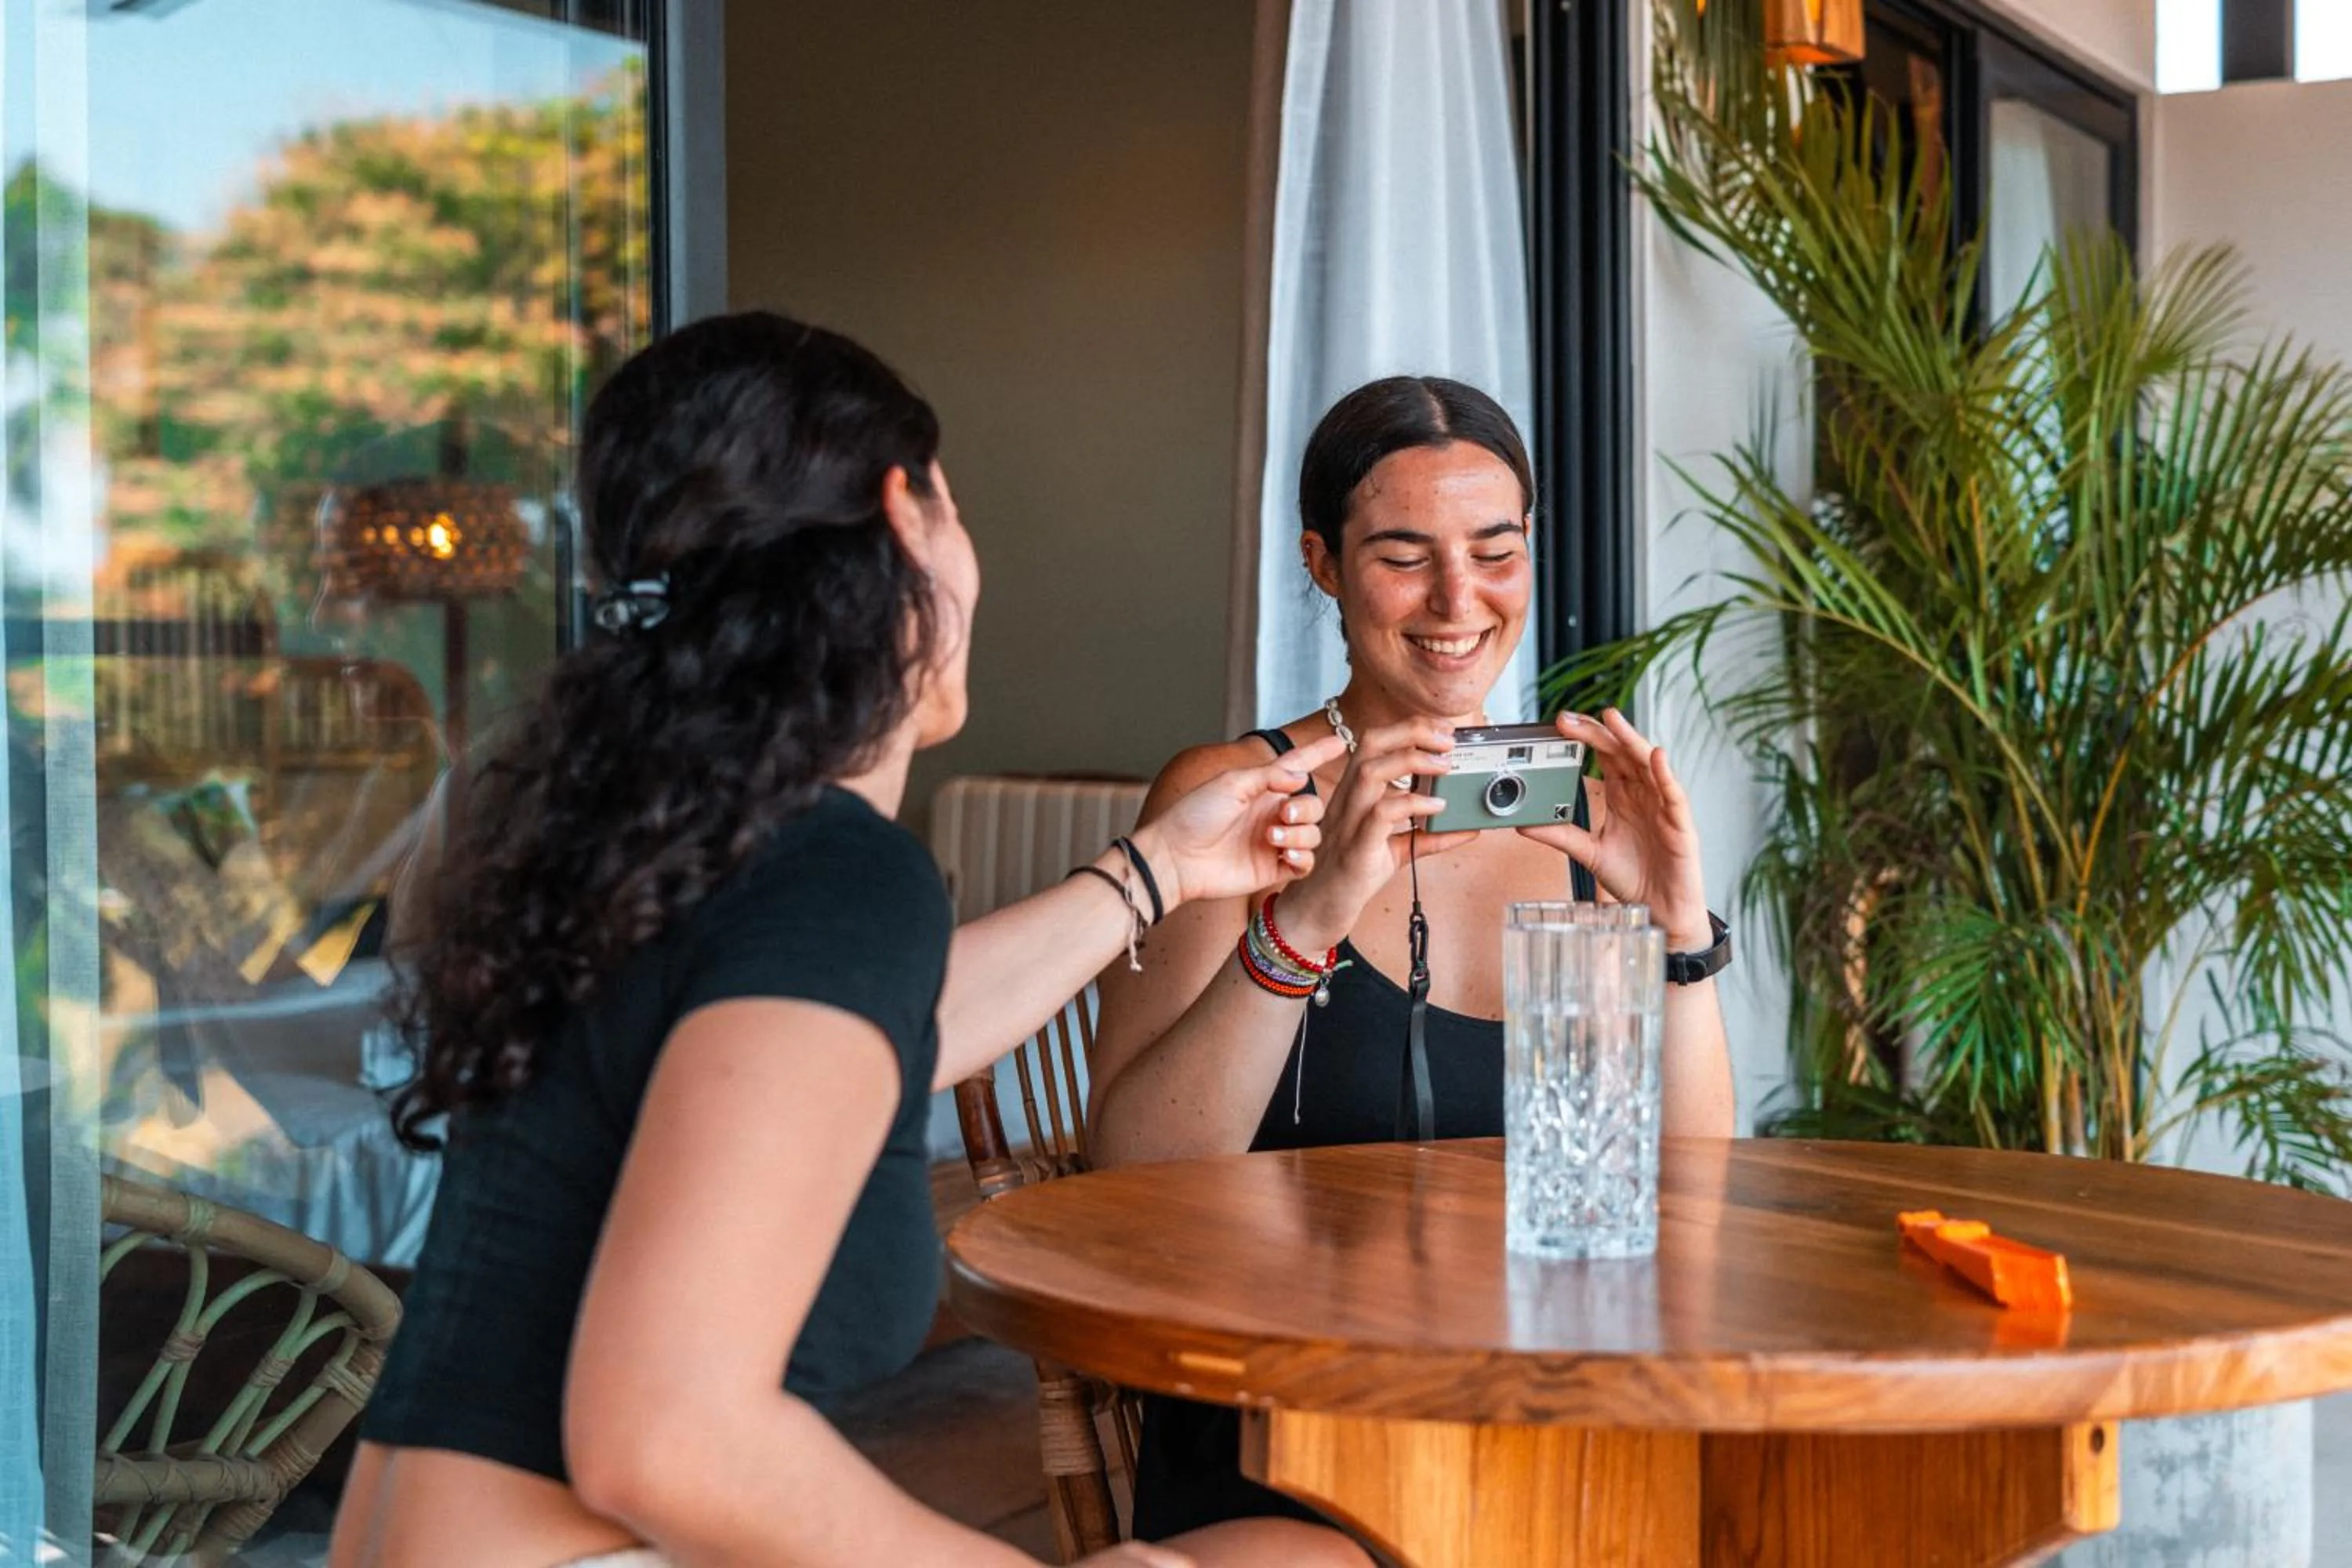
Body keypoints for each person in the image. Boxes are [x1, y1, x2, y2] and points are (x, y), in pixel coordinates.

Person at [328, 313, 1369, 1568]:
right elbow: (663, 1439)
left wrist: (1162, 871)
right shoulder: (833, 874)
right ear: (905, 514)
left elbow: (880, 1038)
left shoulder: (671, 849)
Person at [1086, 375, 1739, 1542]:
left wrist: (1678, 930)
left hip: (1550, 1427)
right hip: (1293, 1438)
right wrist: (1313, 911)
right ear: (1323, 564)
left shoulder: (1587, 818)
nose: (1458, 599)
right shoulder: (1236, 803)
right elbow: (1130, 1181)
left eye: (1497, 551)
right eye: (1402, 555)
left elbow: (1690, 1197)